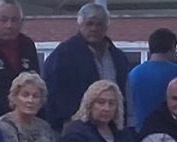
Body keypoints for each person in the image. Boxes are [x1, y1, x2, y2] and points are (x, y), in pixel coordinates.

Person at [42, 3, 130, 132]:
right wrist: (65, 123)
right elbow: (53, 92)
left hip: (111, 127)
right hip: (76, 127)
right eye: (89, 24)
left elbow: (124, 94)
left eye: (99, 24)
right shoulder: (63, 55)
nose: (94, 28)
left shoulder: (118, 57)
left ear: (106, 27)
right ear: (80, 25)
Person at [126, 27, 177, 132]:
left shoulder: (134, 74)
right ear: (172, 48)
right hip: (173, 134)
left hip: (141, 133)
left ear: (150, 47)